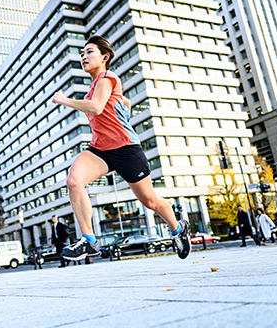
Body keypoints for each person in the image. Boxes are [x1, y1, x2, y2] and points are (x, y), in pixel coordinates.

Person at [51, 35, 192, 261]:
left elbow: (96, 107)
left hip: (126, 149)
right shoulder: (93, 88)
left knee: (149, 201)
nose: (83, 57)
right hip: (100, 150)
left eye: (89, 52)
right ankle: (89, 241)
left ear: (104, 57)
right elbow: (120, 103)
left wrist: (65, 100)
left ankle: (178, 228)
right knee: (74, 181)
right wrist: (124, 107)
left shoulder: (108, 77)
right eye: (81, 54)